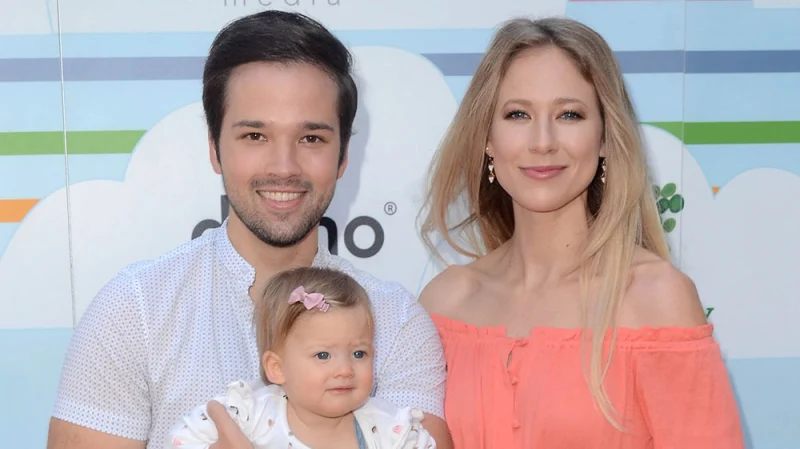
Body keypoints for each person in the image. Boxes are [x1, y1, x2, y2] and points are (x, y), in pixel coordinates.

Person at [46, 10, 450, 449]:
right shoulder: (134, 311)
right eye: (255, 136)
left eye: (311, 138)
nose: (283, 167)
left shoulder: (395, 324)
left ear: (344, 154)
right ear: (214, 149)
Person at [417, 16, 745, 449]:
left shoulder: (654, 298)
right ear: (487, 139)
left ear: (605, 137)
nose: (543, 141)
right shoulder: (445, 304)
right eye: (518, 114)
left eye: (569, 114)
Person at [168, 267, 437, 449]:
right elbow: (181, 441)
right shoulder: (249, 412)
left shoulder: (393, 430)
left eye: (359, 353)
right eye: (323, 355)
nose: (345, 369)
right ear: (277, 367)